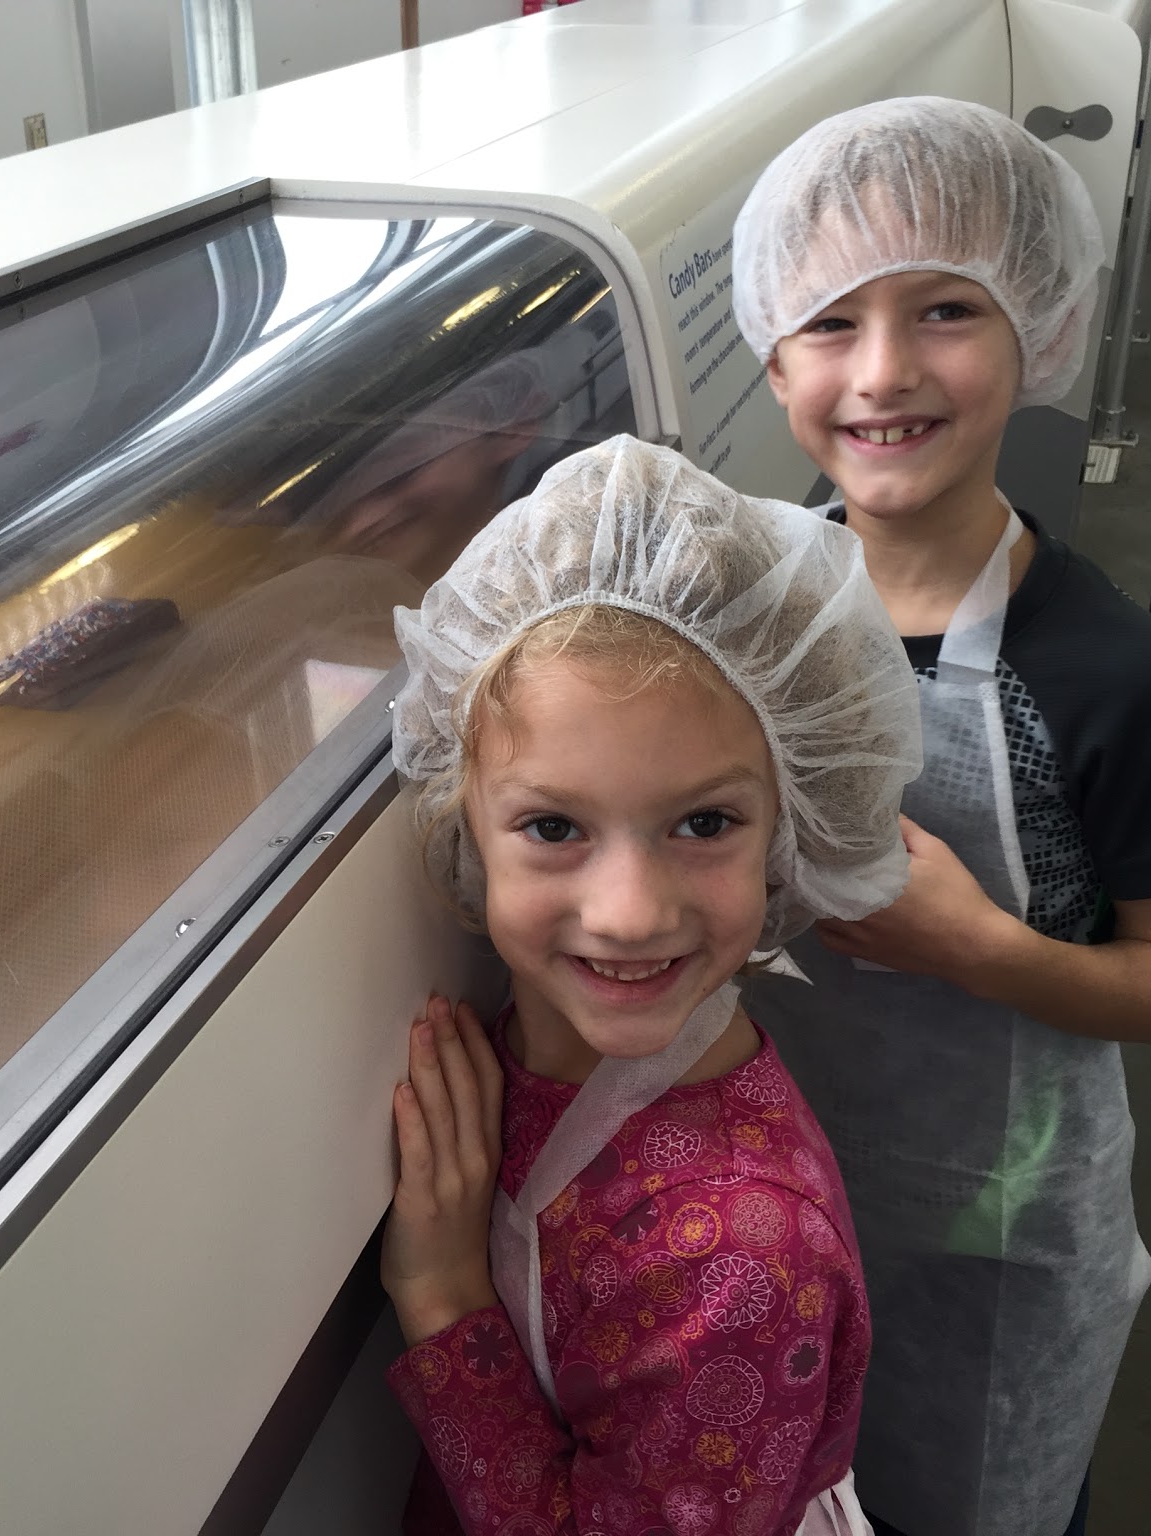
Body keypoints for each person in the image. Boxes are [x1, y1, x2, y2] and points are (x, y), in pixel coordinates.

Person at [730, 98, 1151, 1536]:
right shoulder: (744, 622)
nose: (883, 371)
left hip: (997, 1218)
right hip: (766, 1199)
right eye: (830, 322)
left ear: (1042, 329)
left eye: (946, 309)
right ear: (772, 353)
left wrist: (974, 946)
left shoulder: (1113, 675)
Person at [377, 435, 925, 1534]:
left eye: (704, 822)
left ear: (789, 825)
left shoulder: (740, 1262)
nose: (628, 912)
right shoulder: (533, 1054)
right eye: (552, 827)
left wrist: (440, 1298)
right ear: (461, 820)